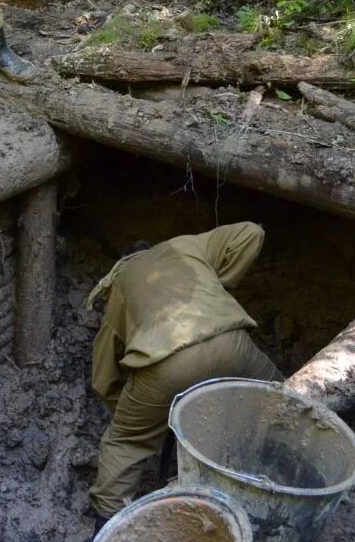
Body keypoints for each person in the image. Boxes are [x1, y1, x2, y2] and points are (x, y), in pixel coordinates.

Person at [86, 222, 281, 523]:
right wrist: (218, 284)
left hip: (166, 364)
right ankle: (289, 470)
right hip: (230, 341)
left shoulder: (120, 284)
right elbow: (251, 233)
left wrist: (139, 415)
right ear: (152, 248)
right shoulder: (186, 245)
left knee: (126, 442)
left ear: (123, 262)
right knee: (281, 400)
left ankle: (106, 522)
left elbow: (103, 377)